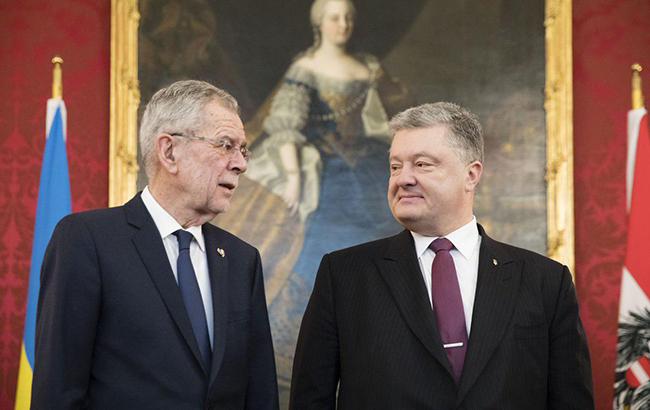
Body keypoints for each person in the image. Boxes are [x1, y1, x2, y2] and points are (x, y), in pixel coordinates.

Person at [290, 102, 594, 409]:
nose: (403, 179)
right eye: (395, 167)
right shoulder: (344, 275)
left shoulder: (545, 282)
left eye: (422, 164)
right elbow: (310, 400)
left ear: (471, 175)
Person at [31, 80, 279, 409]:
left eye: (243, 150)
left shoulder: (241, 259)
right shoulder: (87, 241)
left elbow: (260, 393)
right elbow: (58, 392)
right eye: (225, 145)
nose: (241, 164)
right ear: (169, 151)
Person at [241, 0, 408, 391]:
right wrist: (294, 178)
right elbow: (286, 126)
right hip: (326, 173)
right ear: (319, 22)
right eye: (335, 18)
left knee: (387, 246)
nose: (343, 24)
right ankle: (308, 350)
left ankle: (379, 342)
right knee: (322, 247)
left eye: (348, 17)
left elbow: (396, 114)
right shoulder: (306, 68)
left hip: (368, 171)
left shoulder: (367, 67)